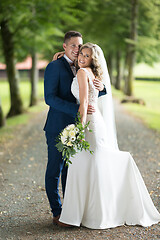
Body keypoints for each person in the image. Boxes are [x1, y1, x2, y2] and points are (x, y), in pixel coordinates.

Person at [59, 43, 160, 229]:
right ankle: (98, 213)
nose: (81, 58)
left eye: (86, 56)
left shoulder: (82, 73)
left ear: (93, 59)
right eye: (81, 54)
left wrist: (79, 131)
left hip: (88, 123)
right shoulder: (93, 73)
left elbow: (83, 104)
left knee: (86, 164)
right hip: (97, 121)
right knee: (93, 163)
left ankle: (83, 215)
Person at [43, 31, 107, 225]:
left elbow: (94, 93)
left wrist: (101, 87)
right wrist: (77, 108)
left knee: (73, 170)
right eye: (73, 46)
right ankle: (57, 212)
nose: (77, 49)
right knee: (55, 169)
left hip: (80, 126)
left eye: (79, 46)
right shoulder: (54, 66)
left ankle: (71, 212)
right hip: (58, 125)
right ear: (64, 46)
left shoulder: (84, 66)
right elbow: (50, 98)